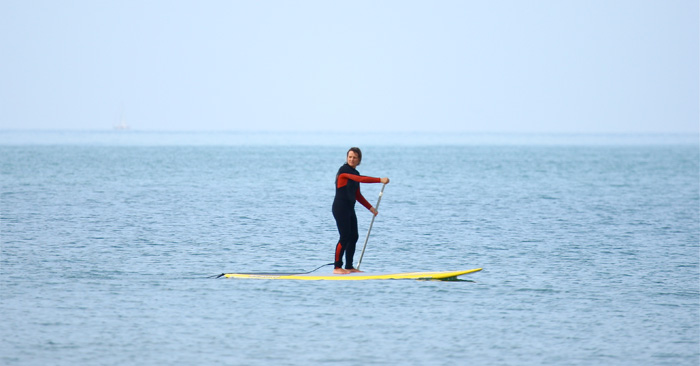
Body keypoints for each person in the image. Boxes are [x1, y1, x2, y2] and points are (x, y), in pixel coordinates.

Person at [332, 147, 389, 274]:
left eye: (355, 157)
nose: (352, 159)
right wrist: (379, 180)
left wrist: (370, 208)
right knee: (344, 236)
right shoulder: (344, 170)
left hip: (349, 209)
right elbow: (361, 179)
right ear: (347, 158)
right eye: (350, 157)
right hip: (340, 208)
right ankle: (337, 267)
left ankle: (349, 266)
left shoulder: (355, 173)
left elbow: (357, 195)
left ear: (359, 160)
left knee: (354, 236)